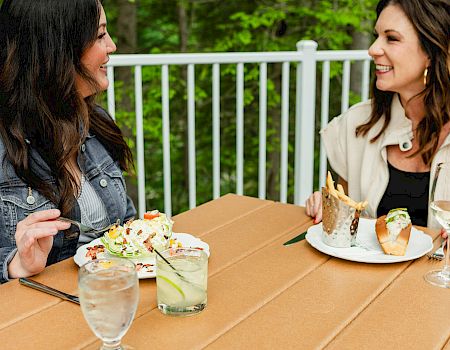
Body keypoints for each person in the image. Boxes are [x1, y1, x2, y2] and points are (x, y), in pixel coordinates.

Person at [0, 0, 136, 284]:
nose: (111, 46)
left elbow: (126, 222)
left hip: (108, 297)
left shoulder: (96, 123)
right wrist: (15, 266)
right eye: (100, 35)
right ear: (59, 50)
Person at [305, 0, 450, 230]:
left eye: (391, 38)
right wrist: (329, 207)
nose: (373, 49)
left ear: (432, 51)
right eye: (377, 36)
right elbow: (346, 206)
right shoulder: (356, 124)